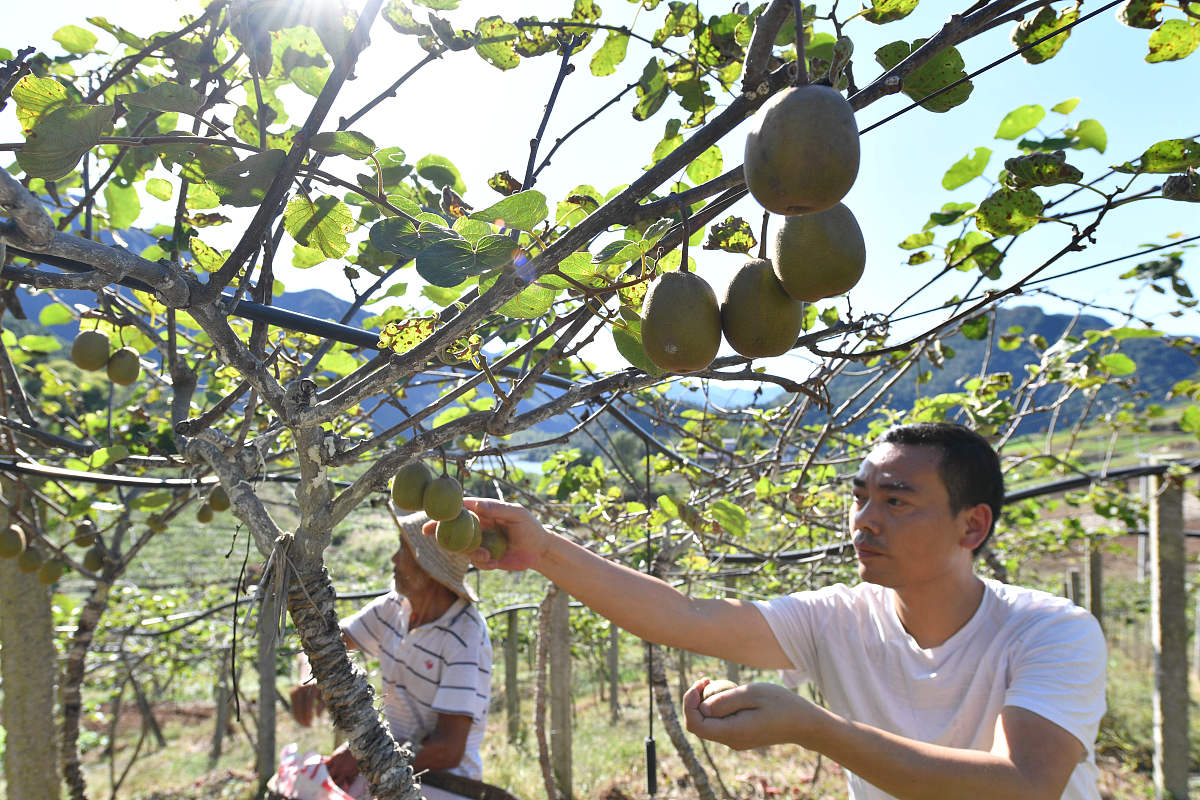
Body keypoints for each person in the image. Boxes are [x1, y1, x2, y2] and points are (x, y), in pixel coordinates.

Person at [446, 422, 1107, 800]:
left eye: (897, 501)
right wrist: (542, 551)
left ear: (972, 527)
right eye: (860, 497)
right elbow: (686, 617)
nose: (864, 521)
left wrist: (814, 728)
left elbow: (1025, 785)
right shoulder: (842, 616)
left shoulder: (1049, 632)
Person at [291, 512, 493, 800]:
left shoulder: (465, 637)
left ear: (430, 566)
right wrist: (309, 677)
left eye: (404, 550)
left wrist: (367, 756)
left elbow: (447, 750)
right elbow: (321, 643)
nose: (394, 560)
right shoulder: (394, 607)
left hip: (443, 784)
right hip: (387, 762)